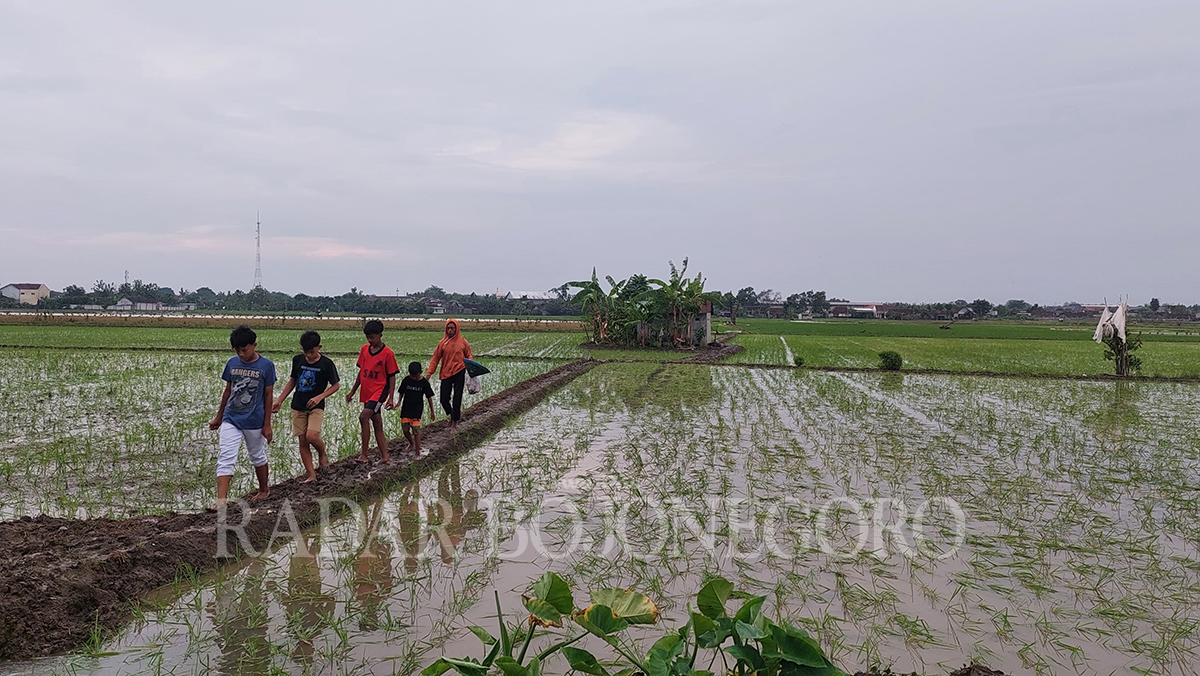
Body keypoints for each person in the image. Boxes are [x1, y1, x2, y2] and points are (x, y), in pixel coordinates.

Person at [208, 325, 275, 511]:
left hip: (254, 420)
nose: (241, 354)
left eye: (244, 350)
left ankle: (264, 489)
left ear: (254, 345)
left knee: (256, 455)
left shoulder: (266, 366)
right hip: (232, 418)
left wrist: (267, 424)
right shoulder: (232, 363)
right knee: (226, 457)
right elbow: (228, 391)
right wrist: (219, 417)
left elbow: (268, 396)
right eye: (237, 350)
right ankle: (221, 502)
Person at [272, 330, 340, 483]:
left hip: (316, 406)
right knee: (303, 441)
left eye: (311, 351)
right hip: (298, 405)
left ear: (319, 347)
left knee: (312, 436)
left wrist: (319, 397)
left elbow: (335, 385)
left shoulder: (326, 364)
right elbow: (292, 381)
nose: (308, 355)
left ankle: (322, 454)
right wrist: (279, 400)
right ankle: (311, 475)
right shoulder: (298, 360)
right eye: (305, 351)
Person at [345, 319, 398, 464]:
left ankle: (364, 454)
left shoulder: (388, 354)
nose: (370, 340)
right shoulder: (364, 350)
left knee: (363, 417)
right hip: (367, 391)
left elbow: (392, 376)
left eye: (372, 337)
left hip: (379, 391)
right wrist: (353, 391)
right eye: (367, 337)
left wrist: (391, 397)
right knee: (377, 423)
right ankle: (385, 456)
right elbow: (361, 373)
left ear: (380, 335)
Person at [426, 318, 472, 433]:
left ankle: (454, 423)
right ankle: (452, 415)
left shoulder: (463, 342)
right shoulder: (442, 343)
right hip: (446, 373)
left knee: (457, 398)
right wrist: (429, 373)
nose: (450, 330)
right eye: (448, 328)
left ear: (457, 329)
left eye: (452, 328)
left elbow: (469, 356)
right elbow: (435, 359)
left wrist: (471, 369)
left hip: (459, 372)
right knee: (443, 399)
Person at [397, 361, 436, 457]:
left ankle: (417, 452)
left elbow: (429, 397)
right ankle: (411, 443)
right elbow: (401, 392)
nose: (413, 377)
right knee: (405, 429)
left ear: (420, 372)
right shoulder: (406, 380)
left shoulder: (424, 383)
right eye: (412, 375)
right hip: (406, 408)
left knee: (416, 431)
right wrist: (398, 402)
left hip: (417, 410)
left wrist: (432, 411)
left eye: (415, 375)